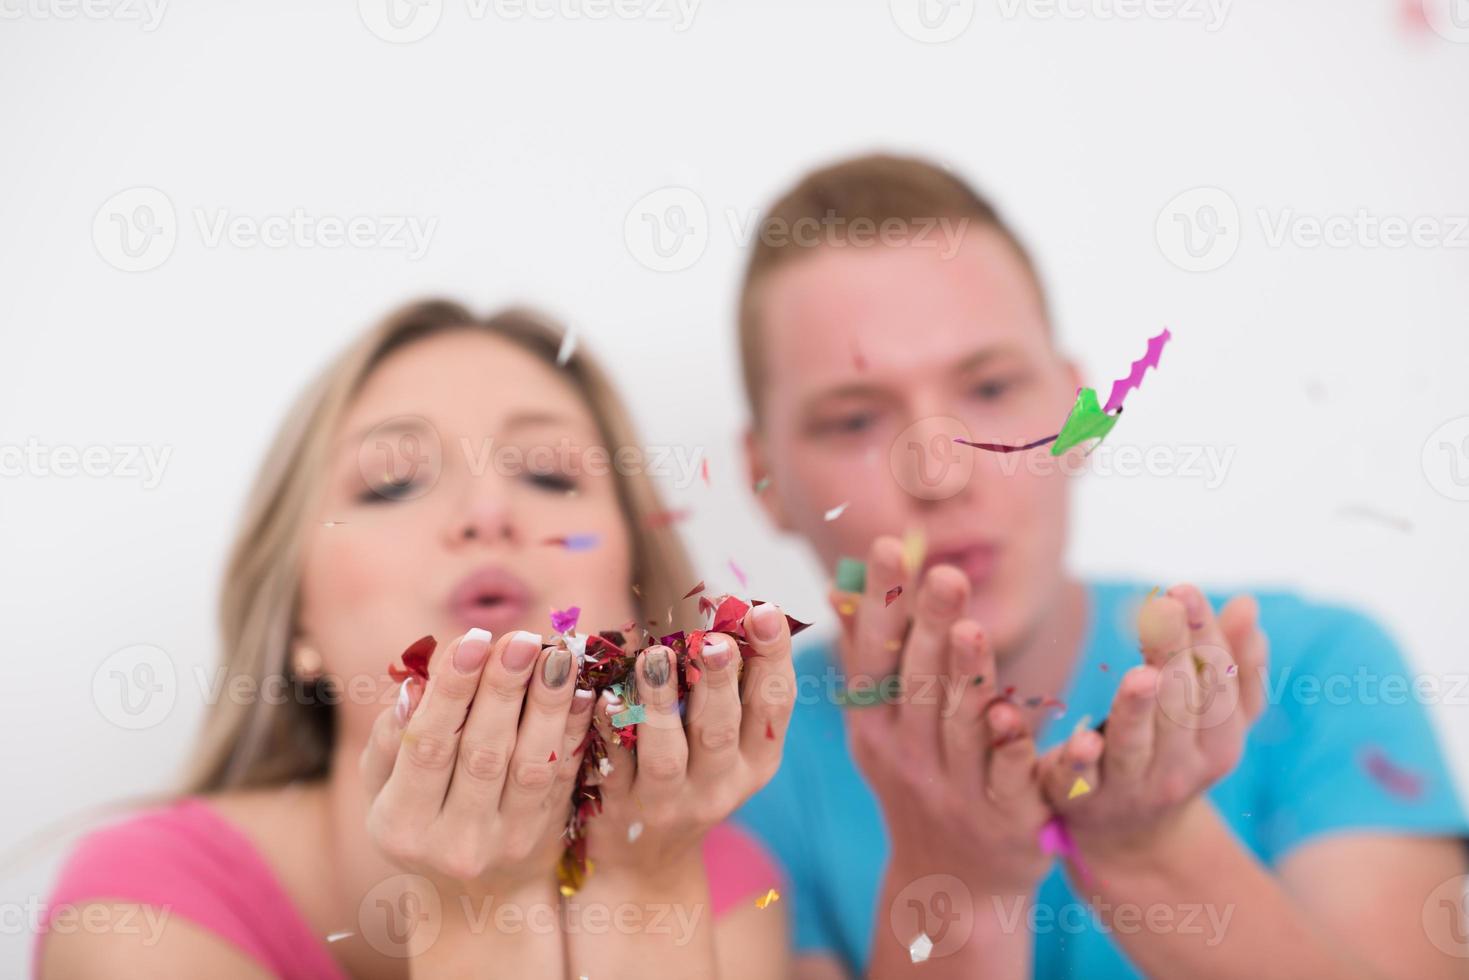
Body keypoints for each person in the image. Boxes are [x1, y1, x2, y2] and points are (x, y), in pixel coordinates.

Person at [731, 154, 1469, 978]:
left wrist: (1152, 850)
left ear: (1079, 415)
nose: (940, 471)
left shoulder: (1322, 670)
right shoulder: (733, 761)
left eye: (990, 388)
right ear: (764, 479)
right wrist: (960, 885)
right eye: (856, 419)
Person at [35, 299, 795, 979]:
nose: (487, 512)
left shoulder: (726, 888)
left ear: (635, 593)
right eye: (391, 483)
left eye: (550, 476)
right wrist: (477, 909)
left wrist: (642, 889)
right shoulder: (143, 913)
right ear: (297, 619)